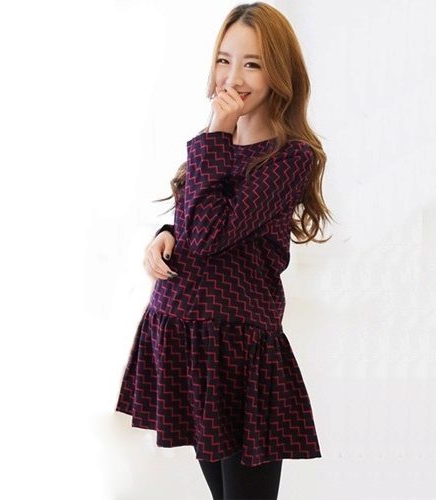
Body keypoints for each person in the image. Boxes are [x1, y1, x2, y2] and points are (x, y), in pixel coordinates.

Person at [115, 2, 333, 498]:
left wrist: (216, 131)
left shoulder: (290, 156)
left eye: (252, 64)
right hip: (184, 337)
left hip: (237, 351)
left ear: (280, 74)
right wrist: (165, 232)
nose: (232, 77)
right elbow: (196, 220)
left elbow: (212, 234)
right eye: (224, 60)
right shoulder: (213, 143)